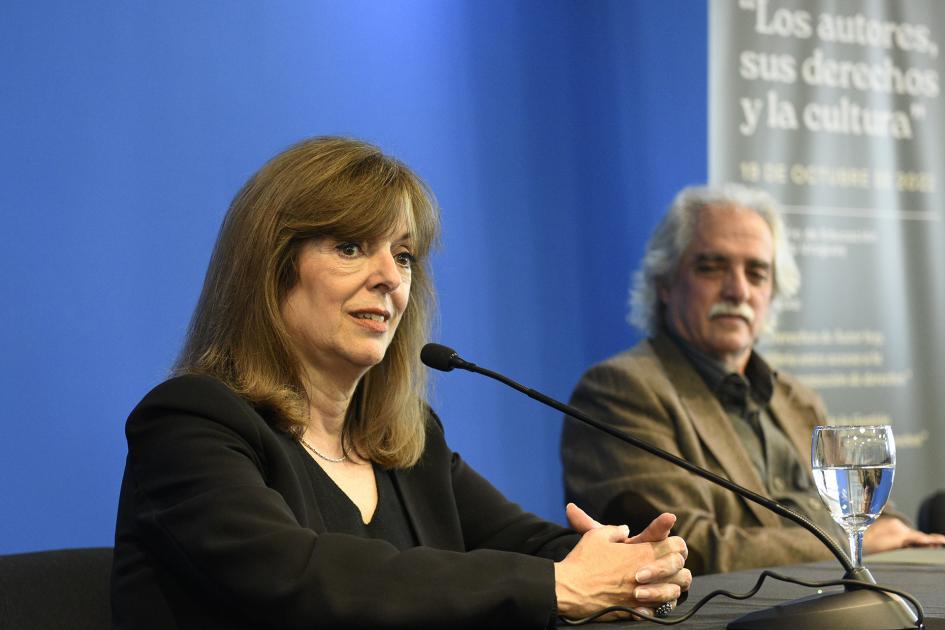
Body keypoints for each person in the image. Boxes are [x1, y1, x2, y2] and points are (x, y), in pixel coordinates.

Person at [111, 136, 691, 629]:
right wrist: (558, 586)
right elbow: (296, 578)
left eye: (405, 254)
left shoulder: (405, 440)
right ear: (272, 270)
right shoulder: (190, 424)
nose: (390, 277)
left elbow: (527, 544)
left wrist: (628, 567)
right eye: (349, 247)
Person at [560, 183, 945, 575]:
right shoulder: (619, 391)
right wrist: (849, 541)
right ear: (665, 283)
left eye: (756, 273)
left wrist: (902, 538)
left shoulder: (799, 398)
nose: (738, 290)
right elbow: (685, 549)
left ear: (773, 293)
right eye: (711, 267)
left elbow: (878, 520)